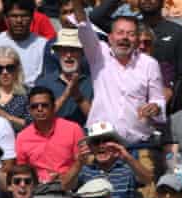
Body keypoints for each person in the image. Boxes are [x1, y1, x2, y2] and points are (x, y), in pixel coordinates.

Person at [71, 0, 166, 149]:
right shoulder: (98, 53)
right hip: (100, 142)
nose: (125, 38)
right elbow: (84, 24)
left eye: (131, 34)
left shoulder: (149, 64)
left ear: (137, 40)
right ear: (110, 38)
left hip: (137, 144)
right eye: (120, 33)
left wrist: (156, 107)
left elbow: (158, 99)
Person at [88, 0, 182, 88]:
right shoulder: (127, 28)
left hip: (163, 95)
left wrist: (170, 92)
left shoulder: (178, 32)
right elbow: (96, 17)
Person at [77, 121, 152, 198]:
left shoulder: (128, 169)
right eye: (96, 142)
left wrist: (128, 157)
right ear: (90, 147)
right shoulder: (85, 170)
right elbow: (66, 186)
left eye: (107, 141)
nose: (101, 146)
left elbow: (148, 179)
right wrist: (78, 163)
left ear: (117, 145)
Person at [14, 86, 83, 192]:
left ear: (53, 107)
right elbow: (22, 171)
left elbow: (82, 161)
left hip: (69, 187)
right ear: (30, 110)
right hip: (38, 189)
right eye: (34, 106)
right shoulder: (22, 137)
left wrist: (64, 176)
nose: (39, 109)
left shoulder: (73, 129)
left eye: (44, 105)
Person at [0, 0, 49, 86]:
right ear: (5, 17)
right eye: (14, 16)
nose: (19, 20)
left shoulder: (44, 45)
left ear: (32, 17)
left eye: (24, 16)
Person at [37, 28, 93, 128]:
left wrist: (79, 97)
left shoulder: (94, 83)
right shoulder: (43, 84)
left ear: (82, 53)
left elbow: (99, 120)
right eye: (63, 50)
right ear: (57, 53)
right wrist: (66, 94)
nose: (68, 55)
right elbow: (40, 119)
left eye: (73, 50)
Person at [0, 46, 31, 132]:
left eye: (10, 68)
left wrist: (6, 116)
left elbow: (33, 125)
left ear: (17, 69)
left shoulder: (28, 94)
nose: (5, 72)